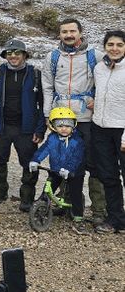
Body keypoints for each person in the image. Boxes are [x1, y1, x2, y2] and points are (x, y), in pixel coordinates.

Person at [41, 18, 106, 224]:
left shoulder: (94, 55)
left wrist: (98, 100)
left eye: (72, 31)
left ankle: (98, 211)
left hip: (87, 119)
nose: (68, 35)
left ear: (80, 32)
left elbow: (109, 80)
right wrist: (47, 114)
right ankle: (67, 202)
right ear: (59, 35)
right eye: (64, 32)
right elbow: (47, 88)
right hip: (60, 119)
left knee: (93, 164)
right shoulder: (52, 57)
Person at [0, 39, 45, 207]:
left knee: (30, 164)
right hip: (1, 127)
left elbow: (43, 105)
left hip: (27, 128)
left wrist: (40, 129)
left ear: (24, 54)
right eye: (9, 53)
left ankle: (27, 198)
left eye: (17, 52)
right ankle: (0, 192)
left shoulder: (36, 75)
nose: (13, 56)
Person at [29, 108, 89, 235]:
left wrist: (68, 169)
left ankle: (78, 220)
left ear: (73, 126)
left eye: (68, 126)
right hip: (56, 170)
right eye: (60, 125)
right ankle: (39, 209)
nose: (64, 129)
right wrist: (35, 160)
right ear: (53, 126)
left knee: (75, 193)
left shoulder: (77, 141)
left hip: (74, 172)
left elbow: (77, 157)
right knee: (48, 187)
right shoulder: (52, 138)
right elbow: (44, 150)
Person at [89, 30, 125, 234]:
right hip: (100, 128)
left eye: (119, 45)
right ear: (105, 46)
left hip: (122, 129)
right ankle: (117, 220)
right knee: (109, 177)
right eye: (111, 44)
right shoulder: (99, 68)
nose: (114, 49)